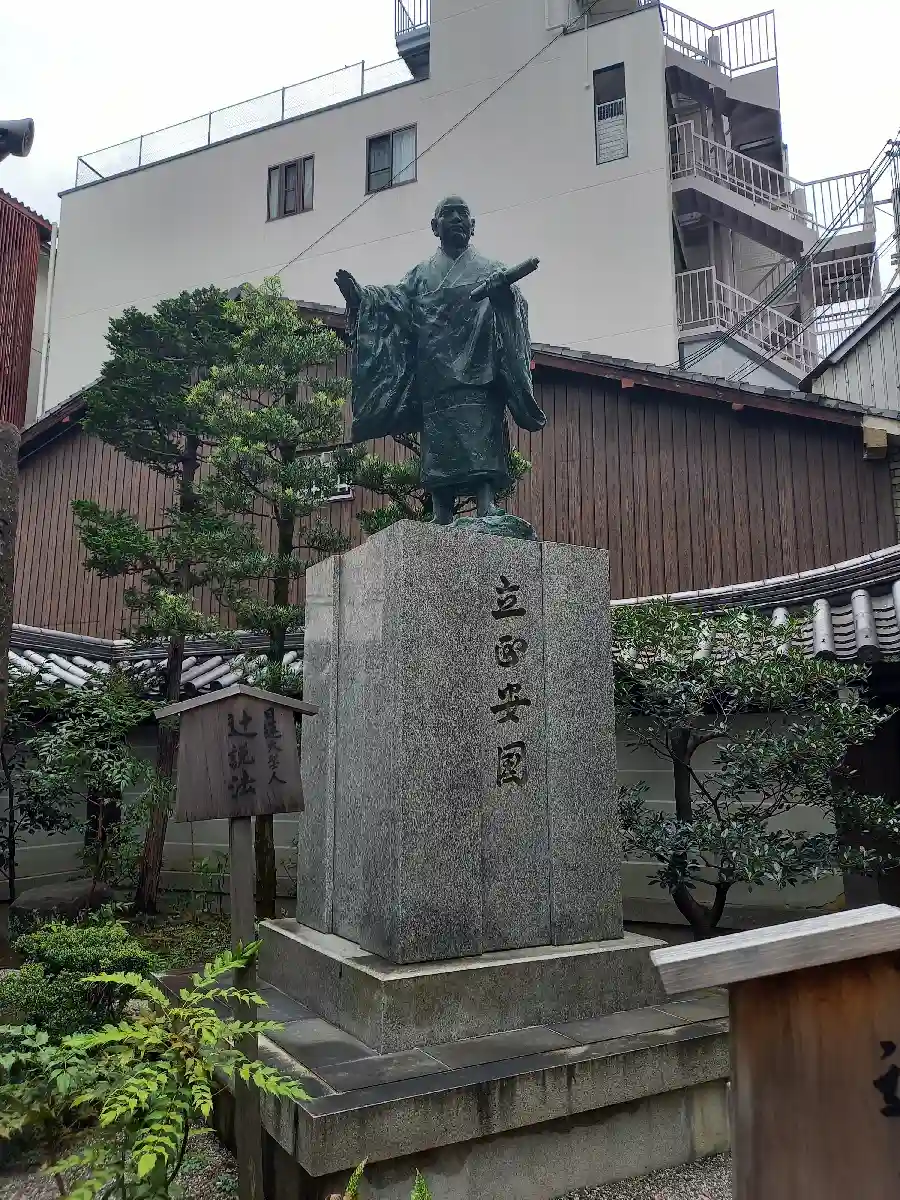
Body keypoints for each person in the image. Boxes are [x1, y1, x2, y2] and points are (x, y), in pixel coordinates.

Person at [335, 196, 546, 525]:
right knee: (438, 445)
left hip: (478, 371)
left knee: (480, 434)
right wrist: (362, 298)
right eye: (449, 214)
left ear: (473, 226)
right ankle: (441, 510)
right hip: (434, 374)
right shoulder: (420, 275)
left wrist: (502, 296)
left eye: (463, 214)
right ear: (435, 226)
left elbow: (515, 309)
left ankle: (486, 504)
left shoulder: (491, 269)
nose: (457, 219)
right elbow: (395, 303)